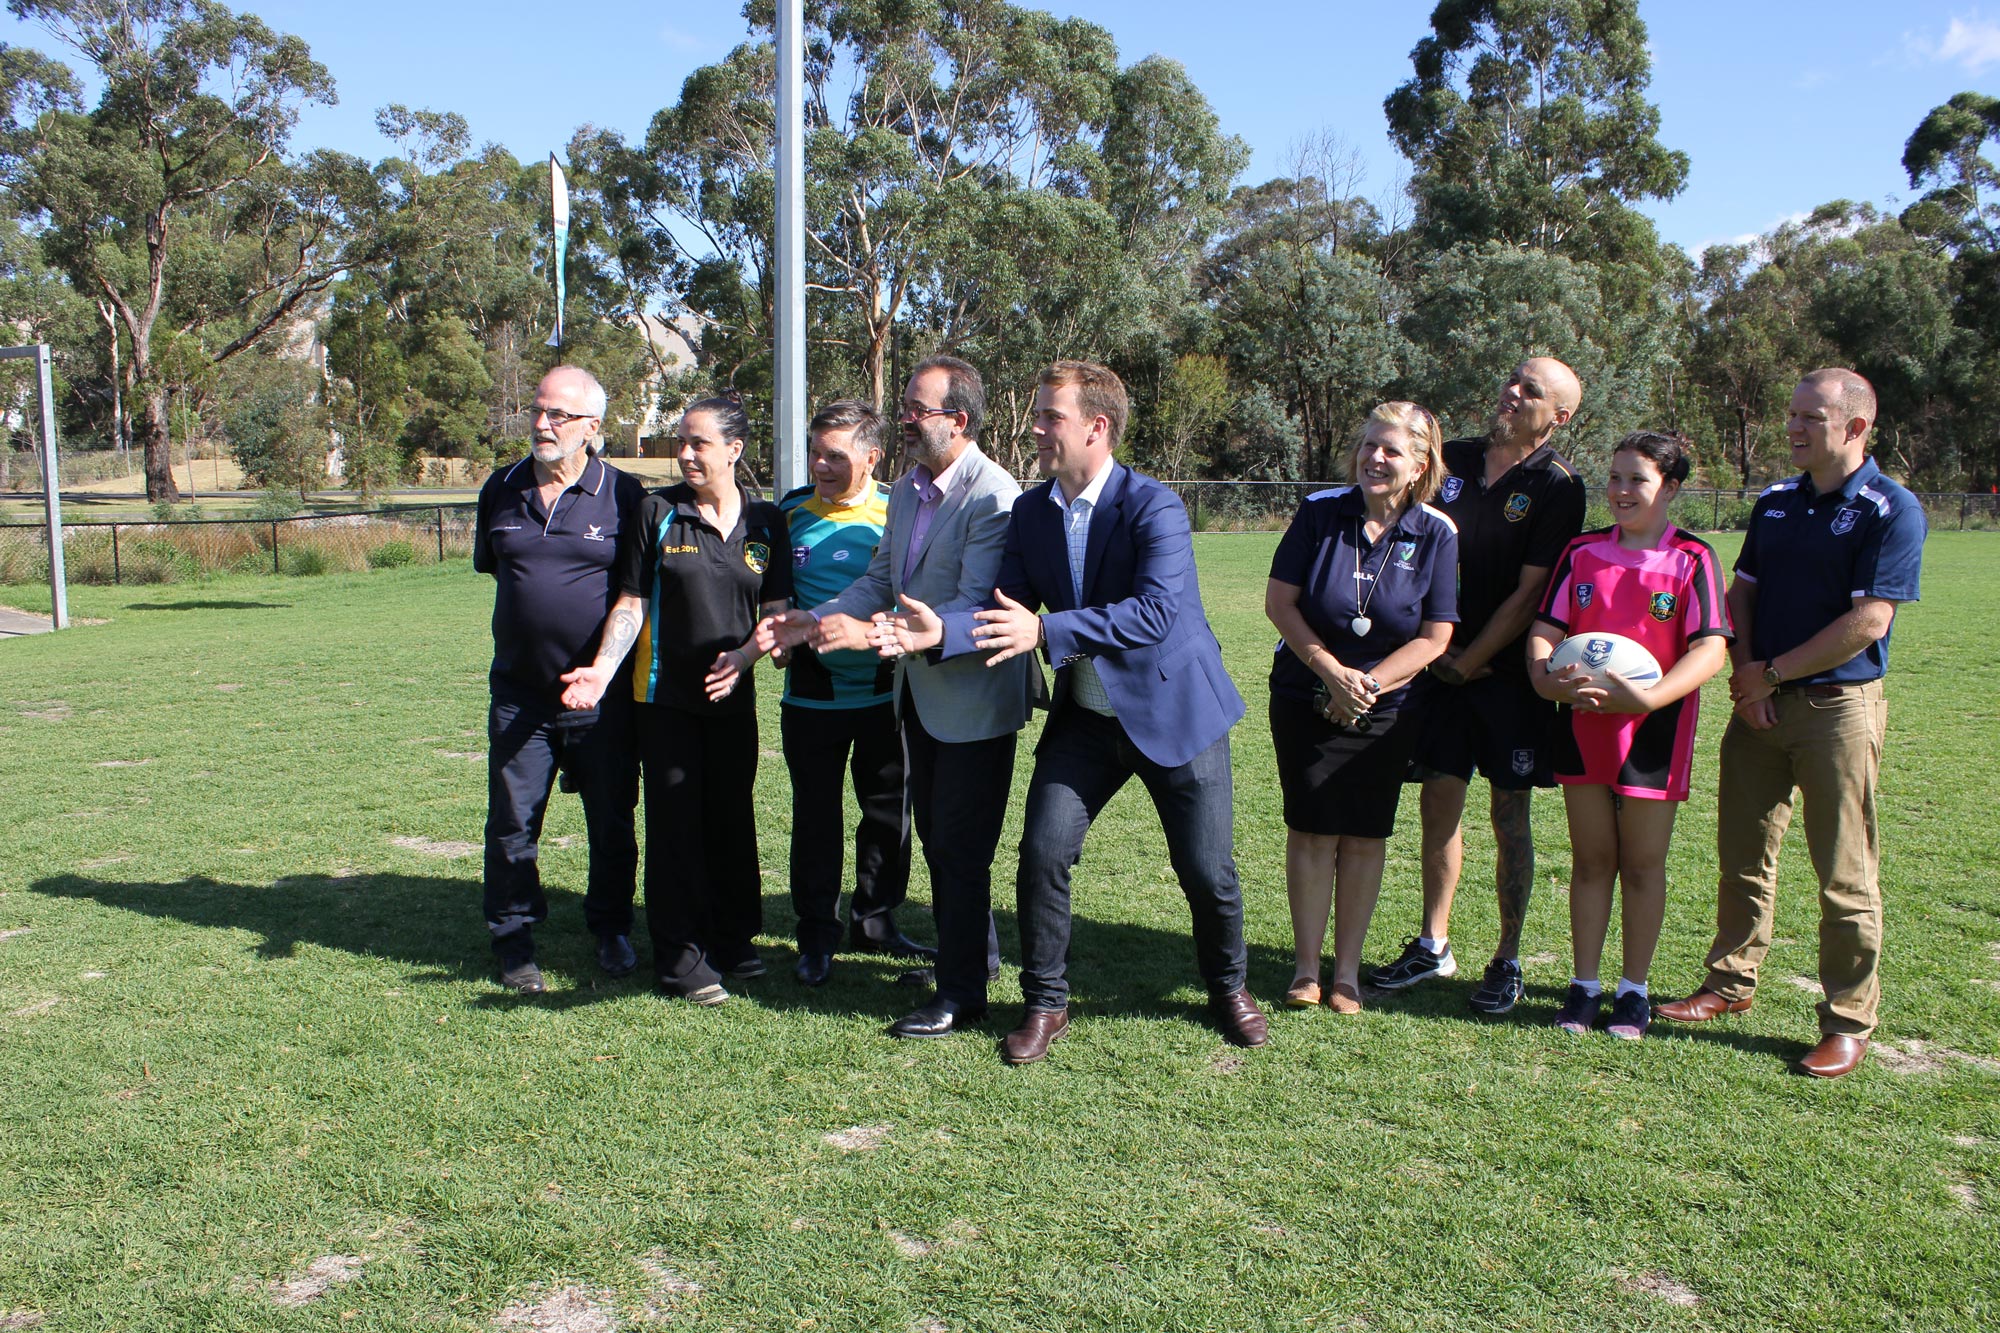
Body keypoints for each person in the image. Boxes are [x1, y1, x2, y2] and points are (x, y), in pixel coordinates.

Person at [886, 360, 1266, 1063]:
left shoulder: (1155, 506)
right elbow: (1004, 607)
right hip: (1087, 722)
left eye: (1048, 417)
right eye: (1036, 415)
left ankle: (1229, 986)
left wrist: (1050, 632)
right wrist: (944, 632)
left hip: (1175, 713)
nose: (1035, 428)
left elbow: (1155, 613)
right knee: (1042, 853)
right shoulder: (1031, 510)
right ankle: (1045, 1003)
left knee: (1205, 868)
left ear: (1097, 426)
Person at [1657, 370, 1925, 1078]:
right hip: (1759, 705)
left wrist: (1773, 674)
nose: (1794, 428)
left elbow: (1869, 622)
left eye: (1810, 416)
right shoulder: (1776, 502)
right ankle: (1728, 982)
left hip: (1837, 708)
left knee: (1844, 871)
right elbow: (1739, 594)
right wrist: (1749, 678)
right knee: (1742, 853)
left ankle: (1847, 1019)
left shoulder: (1889, 508)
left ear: (1856, 426)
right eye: (1792, 415)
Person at [761, 357, 1037, 1040]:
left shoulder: (991, 494)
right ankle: (969, 961)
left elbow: (971, 609)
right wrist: (820, 618)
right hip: (918, 696)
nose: (906, 419)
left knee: (958, 846)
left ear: (959, 420)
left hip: (971, 699)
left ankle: (963, 991)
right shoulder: (912, 489)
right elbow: (882, 577)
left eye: (918, 409)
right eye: (908, 408)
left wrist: (869, 633)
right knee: (945, 839)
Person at [1368, 357, 1588, 1016]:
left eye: (1531, 391)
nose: (1512, 393)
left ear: (1560, 416)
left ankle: (1508, 957)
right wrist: (1439, 649)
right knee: (1438, 801)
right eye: (1512, 380)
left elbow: (1532, 593)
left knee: (1509, 815)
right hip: (1438, 665)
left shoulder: (1557, 486)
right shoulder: (1452, 457)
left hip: (1508, 679)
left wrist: (1473, 657)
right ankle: (1434, 943)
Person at [565, 395, 791, 1005]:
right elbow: (632, 604)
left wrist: (754, 656)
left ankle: (734, 940)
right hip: (662, 702)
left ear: (735, 450)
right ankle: (680, 959)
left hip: (732, 704)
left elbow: (775, 611)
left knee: (731, 822)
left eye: (699, 444)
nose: (685, 455)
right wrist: (600, 671)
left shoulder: (767, 522)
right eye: (681, 443)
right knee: (675, 830)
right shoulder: (657, 512)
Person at [1526, 431, 1731, 1040]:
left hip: (1654, 731)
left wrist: (1650, 697)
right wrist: (1544, 678)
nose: (1620, 490)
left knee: (1642, 865)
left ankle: (1633, 991)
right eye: (1614, 478)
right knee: (1591, 861)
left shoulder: (1693, 558)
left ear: (1668, 487)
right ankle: (1584, 987)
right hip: (1584, 722)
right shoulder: (1582, 552)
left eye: (1636, 479)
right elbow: (1546, 626)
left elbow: (1710, 647)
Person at [1265, 403, 1458, 1016]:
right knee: (1313, 830)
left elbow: (1435, 636)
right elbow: (1280, 603)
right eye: (1370, 445)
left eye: (1392, 451)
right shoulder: (1320, 512)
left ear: (1419, 465)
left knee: (1367, 835)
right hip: (1305, 694)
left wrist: (1366, 685)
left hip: (1387, 706)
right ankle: (1306, 968)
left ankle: (1346, 974)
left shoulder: (1437, 533)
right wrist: (1331, 673)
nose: (1376, 459)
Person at [472, 366, 644, 994]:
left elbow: (633, 592)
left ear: (593, 428)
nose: (543, 425)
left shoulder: (625, 496)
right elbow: (504, 575)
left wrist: (599, 672)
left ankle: (611, 926)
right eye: (539, 411)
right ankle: (513, 935)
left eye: (560, 416)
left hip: (600, 695)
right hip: (519, 694)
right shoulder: (502, 488)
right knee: (513, 819)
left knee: (611, 815)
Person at [774, 401, 923, 987]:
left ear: (872, 456)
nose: (822, 465)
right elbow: (769, 590)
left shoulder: (901, 507)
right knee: (816, 817)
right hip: (811, 699)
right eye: (816, 452)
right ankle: (815, 932)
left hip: (886, 693)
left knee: (888, 813)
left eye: (836, 454)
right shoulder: (787, 512)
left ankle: (877, 920)